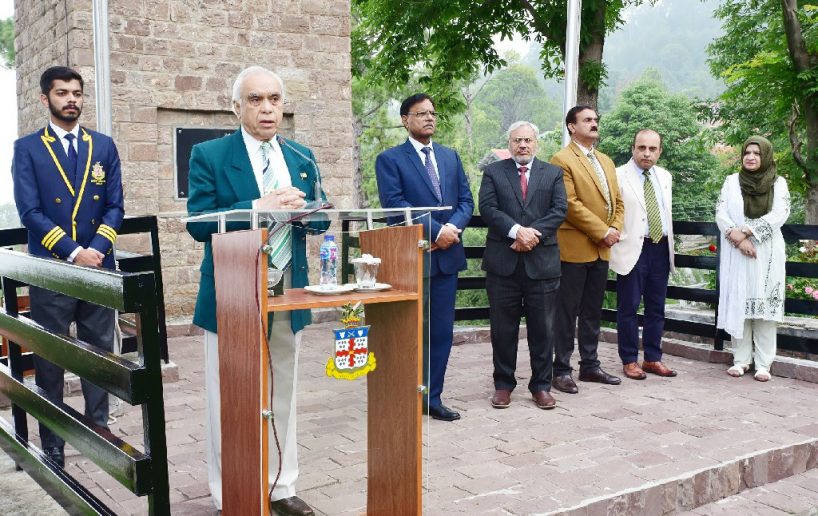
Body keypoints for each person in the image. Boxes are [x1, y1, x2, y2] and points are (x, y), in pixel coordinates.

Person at [186, 66, 327, 516]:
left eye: (274, 99)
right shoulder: (209, 155)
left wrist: (309, 209)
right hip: (232, 294)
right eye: (255, 99)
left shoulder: (301, 156)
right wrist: (256, 207)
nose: (267, 108)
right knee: (230, 397)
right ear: (236, 107)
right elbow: (198, 223)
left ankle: (281, 487)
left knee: (282, 391)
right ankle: (230, 493)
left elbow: (323, 217)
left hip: (287, 292)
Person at [12, 66, 124, 468]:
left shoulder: (103, 145)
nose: (71, 99)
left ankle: (99, 430)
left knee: (99, 355)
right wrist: (74, 252)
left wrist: (96, 250)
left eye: (76, 93)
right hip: (53, 270)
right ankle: (54, 440)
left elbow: (115, 206)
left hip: (98, 266)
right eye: (62, 93)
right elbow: (30, 212)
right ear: (46, 99)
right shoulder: (28, 148)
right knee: (51, 359)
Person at [375, 93, 474, 421]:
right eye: (421, 114)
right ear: (405, 120)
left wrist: (451, 230)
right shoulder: (390, 160)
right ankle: (403, 395)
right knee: (409, 331)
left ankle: (432, 398)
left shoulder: (450, 156)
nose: (429, 118)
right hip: (413, 257)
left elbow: (466, 201)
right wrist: (435, 231)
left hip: (447, 258)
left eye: (432, 113)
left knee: (441, 333)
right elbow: (395, 206)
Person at [479, 121, 567, 409]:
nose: (523, 145)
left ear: (536, 143)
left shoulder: (553, 173)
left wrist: (531, 236)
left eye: (528, 140)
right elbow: (488, 208)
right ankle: (503, 385)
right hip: (503, 266)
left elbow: (559, 210)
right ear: (509, 144)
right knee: (503, 330)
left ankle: (541, 386)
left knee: (543, 330)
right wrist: (516, 231)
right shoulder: (493, 172)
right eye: (517, 140)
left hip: (542, 266)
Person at [550, 105, 625, 394]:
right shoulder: (562, 159)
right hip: (574, 249)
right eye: (587, 120)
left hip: (601, 250)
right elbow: (570, 205)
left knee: (593, 311)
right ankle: (561, 370)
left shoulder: (605, 160)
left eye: (595, 119)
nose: (594, 123)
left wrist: (614, 228)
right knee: (566, 313)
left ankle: (590, 366)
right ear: (572, 126)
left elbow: (618, 201)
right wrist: (602, 232)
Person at [716, 135, 790, 382]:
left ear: (766, 156)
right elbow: (721, 213)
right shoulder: (731, 182)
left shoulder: (778, 183)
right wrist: (738, 239)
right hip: (737, 252)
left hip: (767, 253)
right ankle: (740, 360)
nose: (751, 157)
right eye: (747, 152)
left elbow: (780, 213)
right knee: (740, 303)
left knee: (765, 308)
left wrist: (748, 231)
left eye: (757, 153)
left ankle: (763, 364)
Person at [609, 129, 677, 380]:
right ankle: (629, 360)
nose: (647, 153)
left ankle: (652, 358)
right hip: (632, 248)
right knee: (628, 307)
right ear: (633, 148)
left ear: (660, 151)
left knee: (656, 307)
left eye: (652, 149)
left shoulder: (665, 176)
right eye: (642, 148)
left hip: (661, 247)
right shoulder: (618, 175)